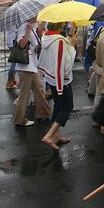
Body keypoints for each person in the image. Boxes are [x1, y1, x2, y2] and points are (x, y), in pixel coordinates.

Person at [38, 22, 77, 150]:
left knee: (58, 106)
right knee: (67, 107)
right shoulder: (60, 41)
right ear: (60, 26)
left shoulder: (46, 36)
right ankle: (49, 135)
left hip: (51, 77)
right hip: (61, 80)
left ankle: (56, 135)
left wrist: (70, 36)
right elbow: (65, 65)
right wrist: (72, 46)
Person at [13, 18, 51, 127]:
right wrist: (28, 30)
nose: (37, 16)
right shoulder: (24, 27)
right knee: (24, 94)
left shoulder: (32, 27)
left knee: (39, 89)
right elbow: (21, 44)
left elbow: (32, 46)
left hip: (32, 66)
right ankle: (19, 119)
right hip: (25, 66)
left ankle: (44, 113)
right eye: (36, 14)